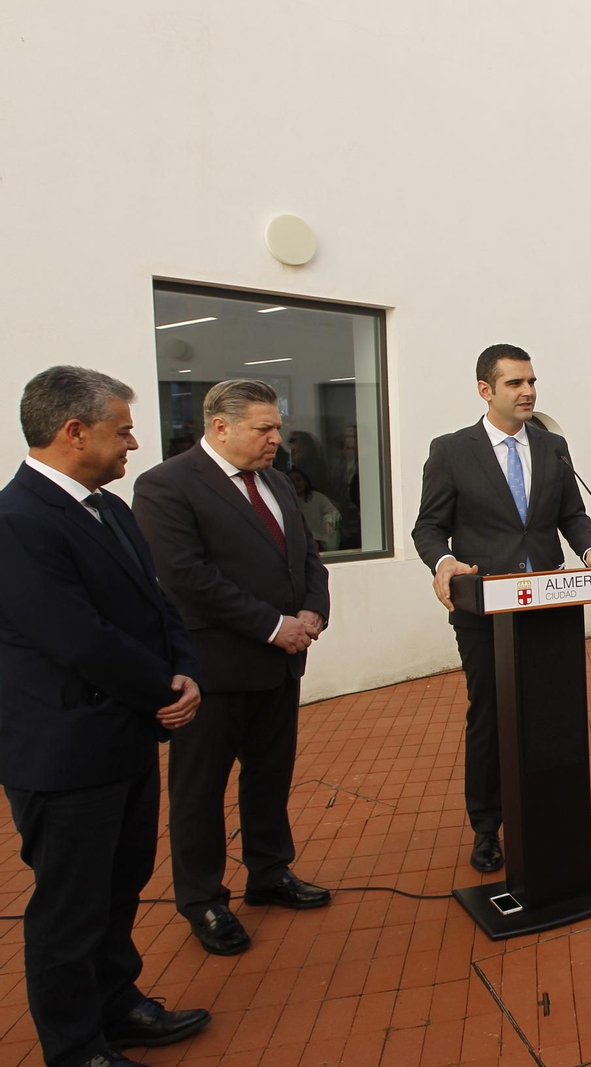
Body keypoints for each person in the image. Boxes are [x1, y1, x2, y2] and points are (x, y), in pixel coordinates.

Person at [0, 367, 212, 1067]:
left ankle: (117, 1003)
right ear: (73, 431)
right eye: (122, 429)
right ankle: (75, 1046)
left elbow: (158, 605)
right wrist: (164, 686)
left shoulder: (109, 508)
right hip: (64, 754)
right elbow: (79, 638)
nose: (133, 441)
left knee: (119, 888)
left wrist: (183, 667)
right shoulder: (17, 522)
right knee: (70, 909)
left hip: (122, 737)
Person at [134, 379, 333, 957]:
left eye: (277, 426)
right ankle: (203, 900)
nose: (277, 438)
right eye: (264, 429)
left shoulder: (275, 481)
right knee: (198, 792)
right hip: (213, 671)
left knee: (270, 777)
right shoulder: (166, 486)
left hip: (280, 667)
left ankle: (270, 873)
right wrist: (276, 626)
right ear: (220, 427)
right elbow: (185, 577)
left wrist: (312, 609)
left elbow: (309, 553)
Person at [412, 344, 591, 874]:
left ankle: (547, 816)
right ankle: (486, 827)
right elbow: (428, 527)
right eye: (515, 383)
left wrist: (589, 551)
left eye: (532, 382)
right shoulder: (452, 450)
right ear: (485, 390)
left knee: (549, 711)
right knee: (492, 714)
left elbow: (572, 514)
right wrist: (444, 562)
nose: (527, 392)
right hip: (484, 609)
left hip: (549, 606)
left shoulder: (553, 446)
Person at [288, 467, 340, 551]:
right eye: (292, 481)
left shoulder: (317, 497)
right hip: (294, 544)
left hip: (316, 541)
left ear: (305, 482)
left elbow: (332, 512)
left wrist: (328, 522)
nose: (296, 483)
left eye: (298, 480)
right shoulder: (284, 500)